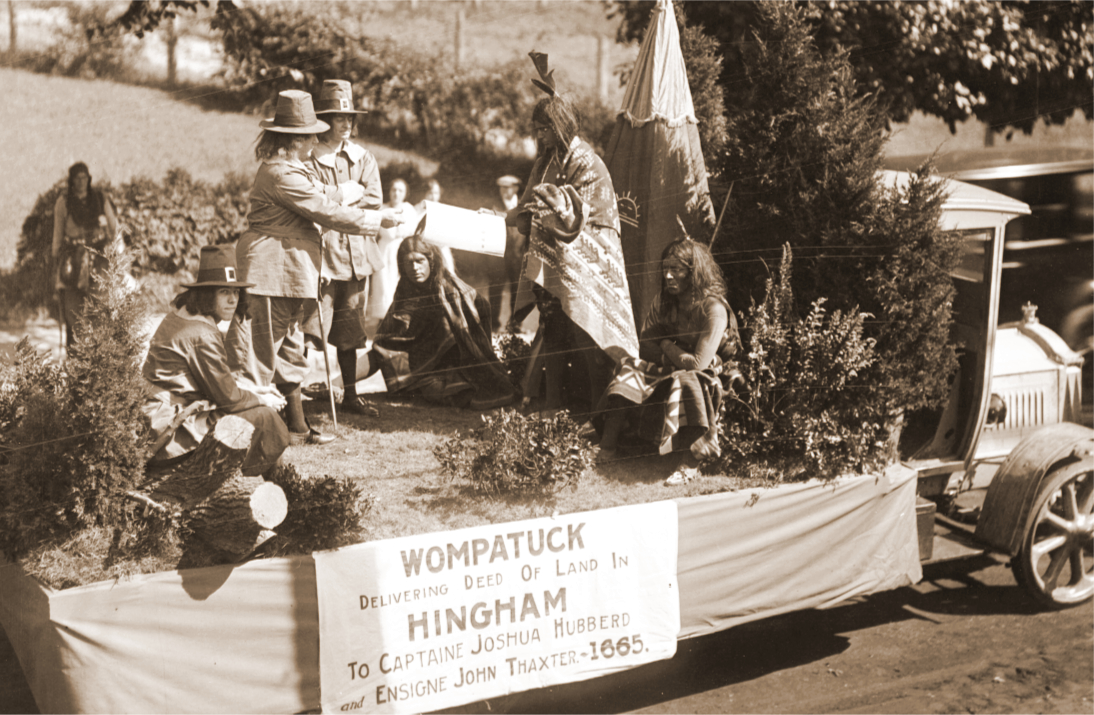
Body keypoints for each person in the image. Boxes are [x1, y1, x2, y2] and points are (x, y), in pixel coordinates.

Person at [225, 90, 403, 446]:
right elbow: (325, 210)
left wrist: (345, 191)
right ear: (293, 140)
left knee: (290, 350)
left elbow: (323, 194)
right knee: (258, 355)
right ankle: (243, 436)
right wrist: (376, 219)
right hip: (271, 272)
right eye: (310, 136)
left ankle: (297, 427)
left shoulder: (291, 169)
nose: (314, 141)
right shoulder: (281, 173)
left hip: (288, 273)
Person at [507, 52, 639, 418]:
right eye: (537, 129)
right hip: (554, 267)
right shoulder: (545, 163)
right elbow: (526, 208)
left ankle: (599, 415)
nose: (539, 135)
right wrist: (500, 216)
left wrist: (548, 213)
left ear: (561, 125)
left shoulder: (588, 164)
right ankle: (554, 408)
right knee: (553, 332)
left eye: (545, 128)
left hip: (589, 268)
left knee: (589, 336)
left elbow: (582, 218)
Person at [594, 239, 740, 486]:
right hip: (674, 365)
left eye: (677, 269)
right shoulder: (663, 301)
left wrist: (664, 344)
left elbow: (698, 364)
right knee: (629, 368)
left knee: (689, 380)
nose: (669, 276)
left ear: (693, 272)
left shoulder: (713, 308)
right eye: (665, 269)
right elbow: (645, 344)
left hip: (711, 373)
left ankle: (690, 462)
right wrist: (671, 354)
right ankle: (607, 449)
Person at [142, 245, 290, 477]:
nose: (232, 300)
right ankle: (274, 486)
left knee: (259, 408)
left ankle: (268, 485)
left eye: (236, 292)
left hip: (157, 420)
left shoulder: (181, 315)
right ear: (207, 294)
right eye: (224, 292)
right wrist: (262, 398)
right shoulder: (201, 333)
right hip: (169, 433)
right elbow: (229, 399)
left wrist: (256, 389)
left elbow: (210, 383)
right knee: (265, 416)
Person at [357, 227, 517, 411]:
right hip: (420, 364)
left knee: (449, 390)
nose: (414, 268)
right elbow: (387, 343)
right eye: (408, 263)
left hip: (455, 365)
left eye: (419, 261)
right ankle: (337, 384)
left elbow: (481, 306)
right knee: (386, 352)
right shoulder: (405, 289)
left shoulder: (447, 288)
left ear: (431, 261)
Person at [302, 79, 385, 418]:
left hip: (356, 258)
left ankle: (350, 395)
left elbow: (374, 198)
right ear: (325, 119)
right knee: (309, 328)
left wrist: (338, 198)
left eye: (350, 117)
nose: (346, 123)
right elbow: (312, 201)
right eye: (339, 117)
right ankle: (292, 400)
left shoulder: (363, 157)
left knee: (350, 331)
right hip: (323, 257)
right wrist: (349, 193)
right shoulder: (310, 158)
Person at [52, 162, 121, 348]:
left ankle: (101, 352)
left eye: (84, 178)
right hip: (73, 259)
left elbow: (114, 228)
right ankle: (76, 352)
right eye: (77, 178)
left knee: (100, 309)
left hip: (99, 259)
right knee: (73, 312)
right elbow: (58, 233)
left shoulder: (99, 198)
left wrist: (117, 253)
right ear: (72, 181)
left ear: (88, 179)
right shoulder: (64, 202)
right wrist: (56, 258)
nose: (81, 182)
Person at [366, 178, 418, 336]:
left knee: (399, 284)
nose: (396, 193)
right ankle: (382, 325)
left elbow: (414, 233)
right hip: (384, 252)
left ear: (405, 193)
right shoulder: (383, 209)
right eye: (394, 190)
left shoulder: (408, 210)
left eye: (400, 190)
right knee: (383, 286)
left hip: (402, 250)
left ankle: (400, 325)